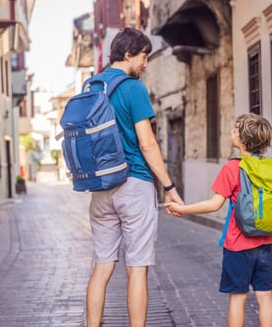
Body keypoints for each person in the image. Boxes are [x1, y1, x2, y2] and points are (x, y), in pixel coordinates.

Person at [86, 27, 183, 327]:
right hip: (134, 183)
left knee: (102, 266)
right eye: (143, 56)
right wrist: (169, 186)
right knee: (137, 268)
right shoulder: (133, 88)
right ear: (128, 54)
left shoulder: (91, 86)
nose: (145, 64)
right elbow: (148, 143)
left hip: (101, 188)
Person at [166, 113, 272, 327]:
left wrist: (183, 209)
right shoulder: (270, 166)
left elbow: (215, 204)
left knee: (238, 297)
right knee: (264, 296)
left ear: (243, 139)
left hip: (238, 244)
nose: (231, 132)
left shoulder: (232, 167)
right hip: (265, 242)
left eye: (235, 129)